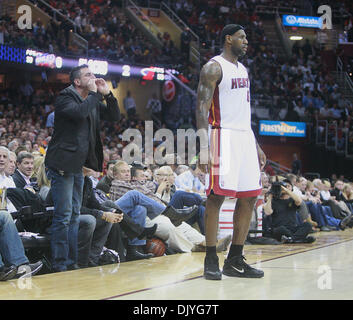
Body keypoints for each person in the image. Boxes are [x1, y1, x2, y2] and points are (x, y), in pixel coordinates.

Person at [195, 24, 267, 280]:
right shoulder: (213, 67)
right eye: (242, 37)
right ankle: (211, 258)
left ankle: (235, 258)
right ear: (228, 39)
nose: (246, 41)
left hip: (244, 137)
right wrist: (203, 147)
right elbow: (201, 108)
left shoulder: (243, 70)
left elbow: (243, 112)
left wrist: (255, 143)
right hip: (221, 135)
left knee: (249, 198)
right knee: (216, 197)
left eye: (246, 38)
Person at [44, 64, 120, 272]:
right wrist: (96, 95)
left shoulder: (92, 100)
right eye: (88, 75)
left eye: (93, 74)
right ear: (77, 82)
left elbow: (114, 117)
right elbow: (78, 114)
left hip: (77, 166)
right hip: (61, 164)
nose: (94, 77)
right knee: (64, 215)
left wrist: (108, 95)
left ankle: (72, 262)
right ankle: (60, 264)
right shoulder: (65, 97)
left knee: (74, 215)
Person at [263, 179, 315, 244]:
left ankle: (291, 239)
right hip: (280, 228)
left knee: (308, 225)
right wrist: (270, 197)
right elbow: (268, 212)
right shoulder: (273, 202)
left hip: (292, 228)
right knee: (280, 229)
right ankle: (299, 239)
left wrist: (287, 190)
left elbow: (299, 201)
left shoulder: (291, 200)